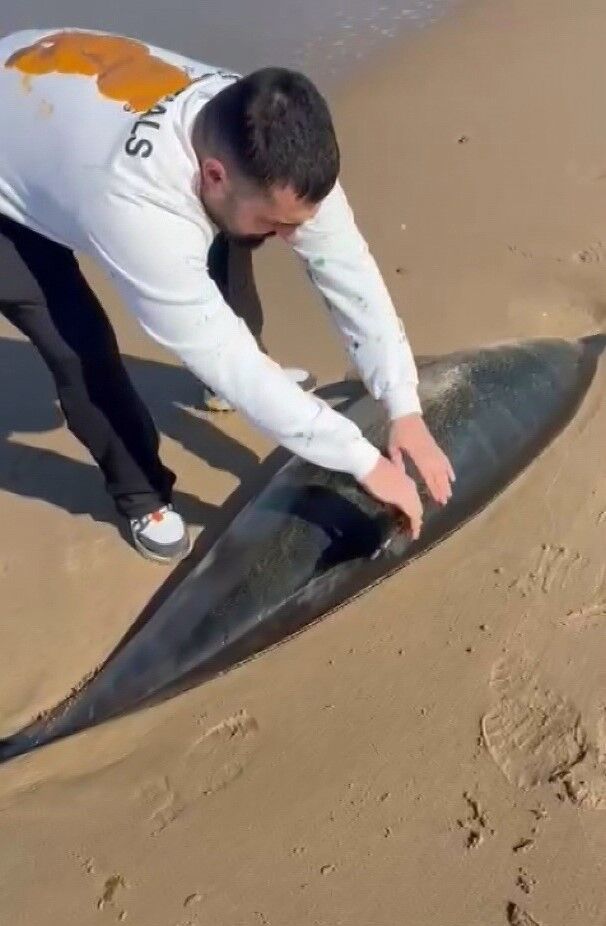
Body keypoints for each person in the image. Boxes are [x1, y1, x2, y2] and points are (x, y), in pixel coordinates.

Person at [0, 27, 454, 563]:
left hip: (48, 95)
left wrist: (403, 404)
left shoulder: (264, 134)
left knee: (241, 230)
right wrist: (363, 461)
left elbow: (345, 269)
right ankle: (142, 495)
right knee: (77, 341)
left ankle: (224, 382)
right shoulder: (135, 210)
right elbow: (223, 355)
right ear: (213, 174)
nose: (292, 236)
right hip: (18, 174)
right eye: (281, 222)